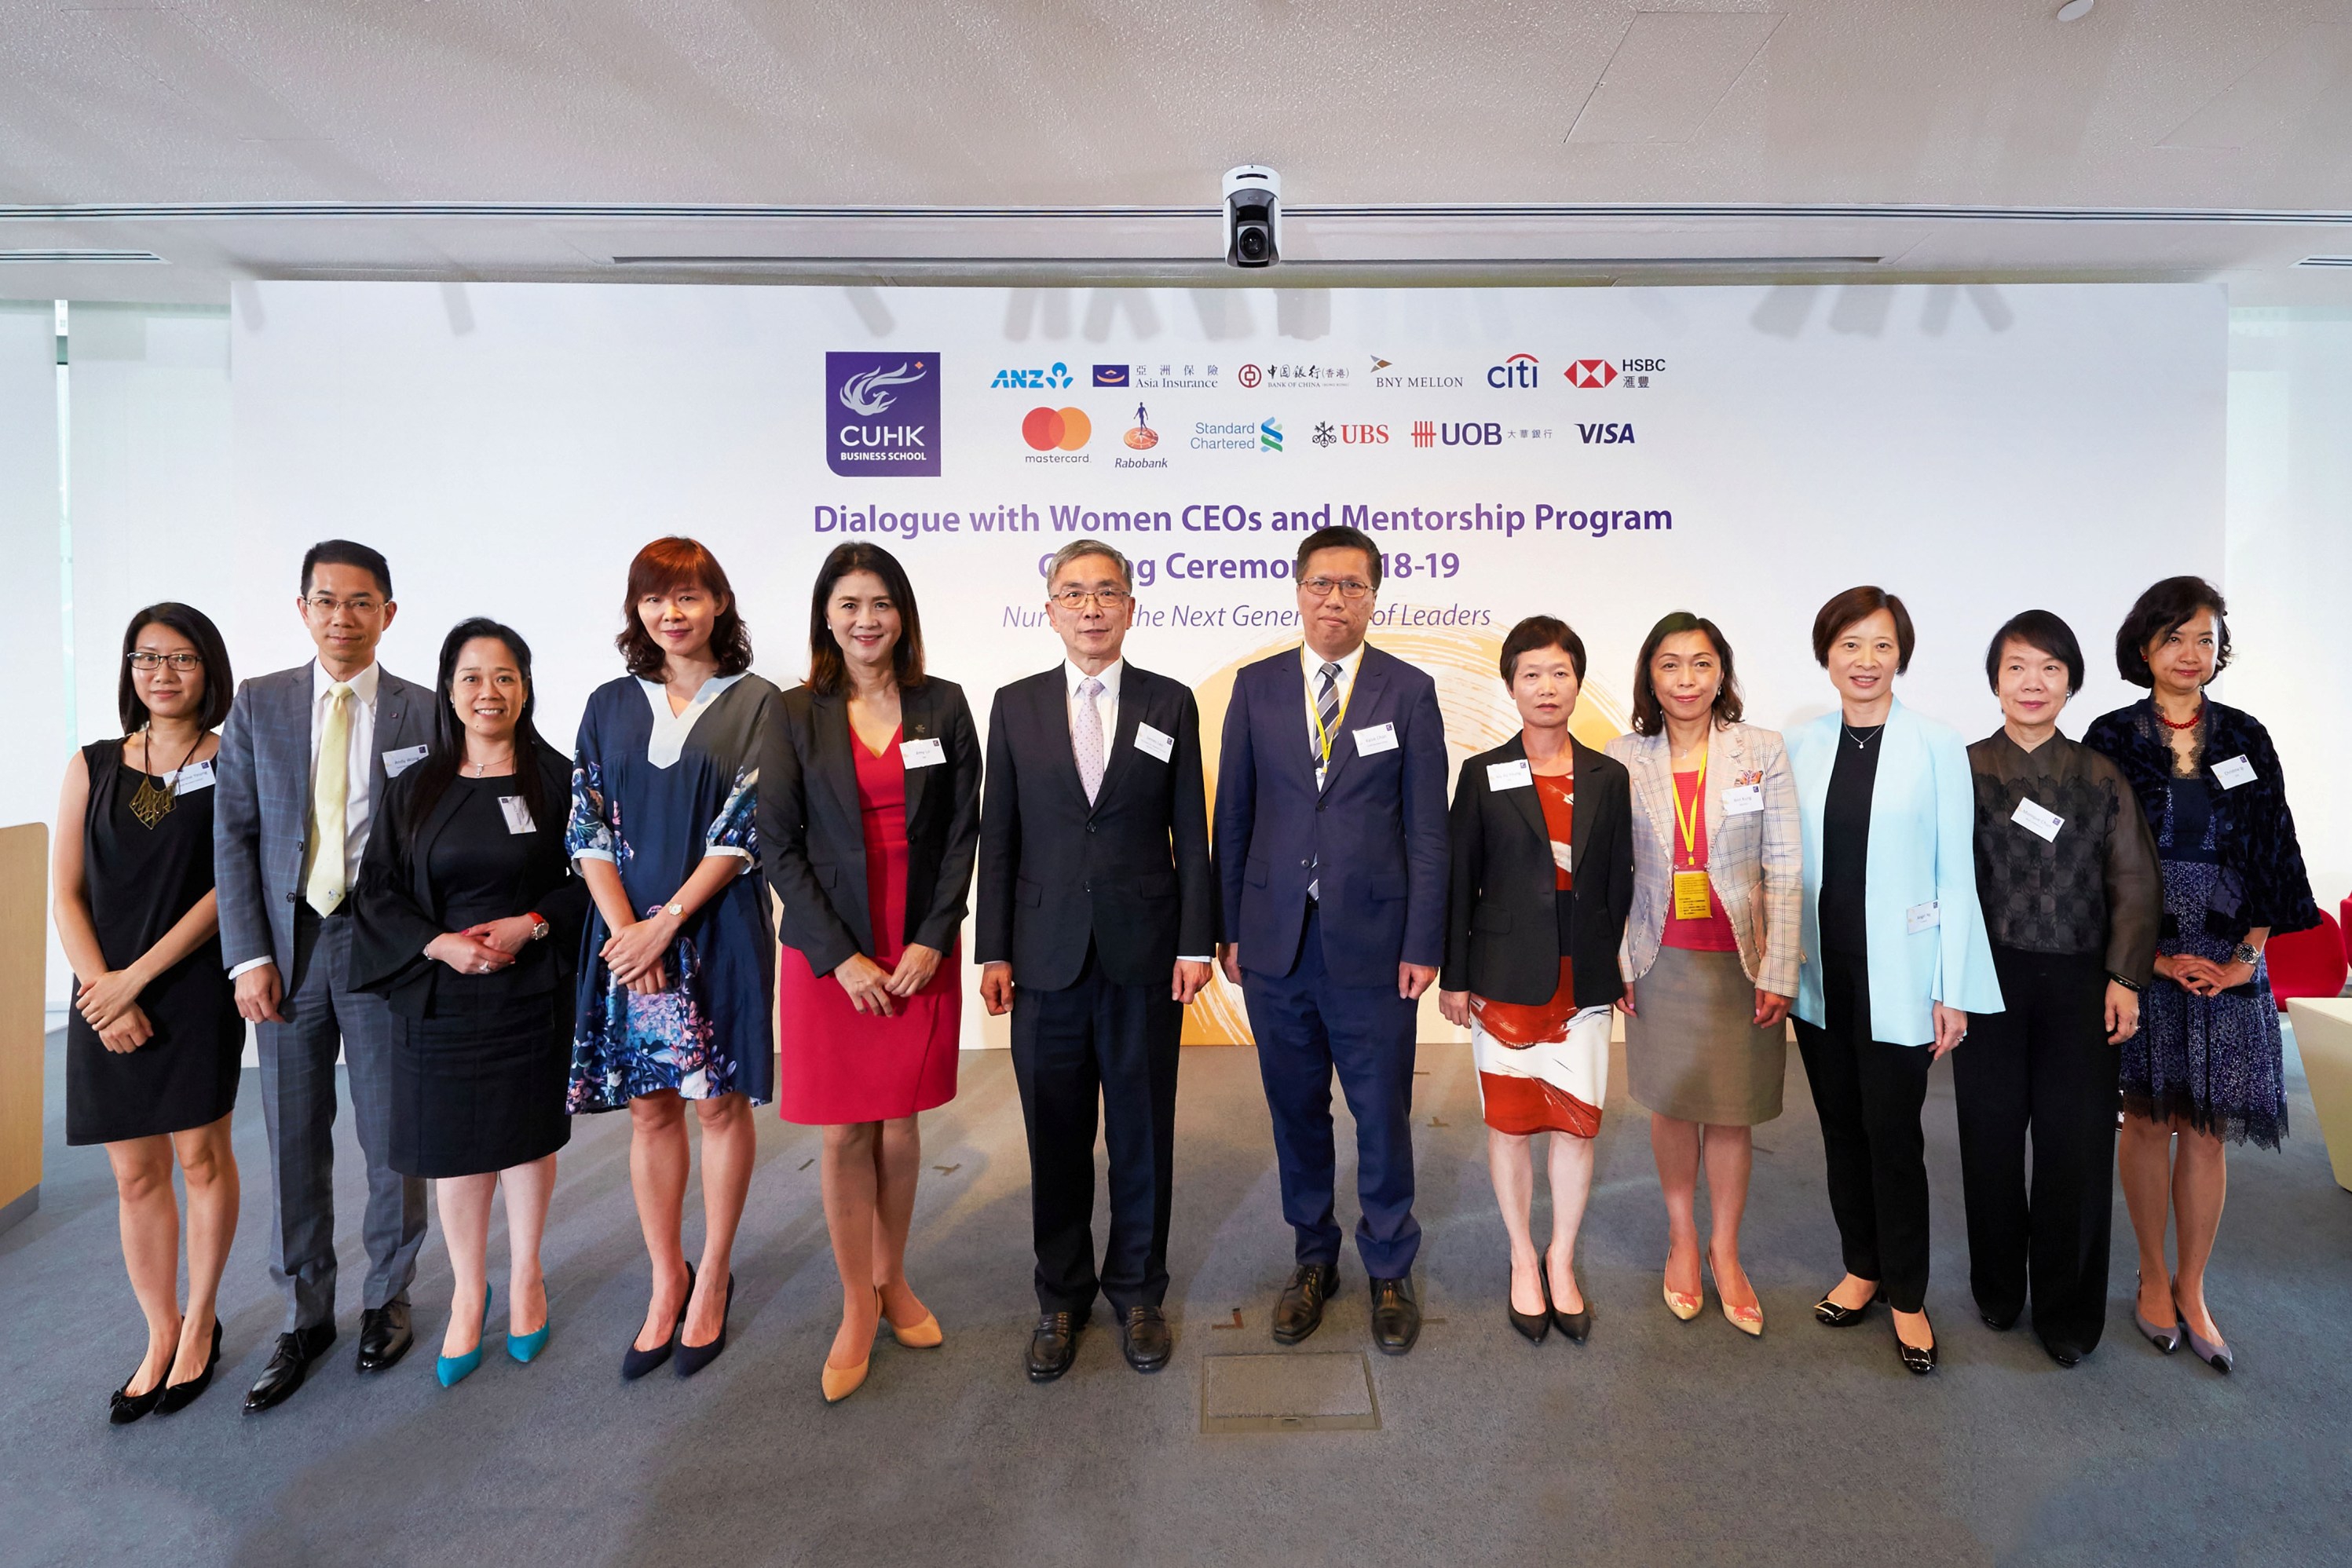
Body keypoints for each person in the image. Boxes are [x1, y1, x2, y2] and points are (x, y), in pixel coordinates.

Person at [977, 539, 1216, 1382]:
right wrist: (994, 948)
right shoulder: (1014, 706)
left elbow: (1191, 829)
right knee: (1055, 1136)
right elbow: (998, 837)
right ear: (1049, 609)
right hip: (1042, 958)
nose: (1090, 607)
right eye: (1072, 593)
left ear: (1130, 607)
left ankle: (1139, 1290)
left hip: (1145, 955)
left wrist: (1195, 940)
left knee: (1143, 1133)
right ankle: (1061, 1296)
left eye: (1106, 592)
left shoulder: (1170, 703)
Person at [1214, 524, 1449, 1356]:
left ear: (1374, 595)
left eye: (1352, 585)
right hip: (1276, 943)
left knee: (1381, 1113)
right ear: (1297, 588)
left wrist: (1425, 938)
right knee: (1295, 1115)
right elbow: (1233, 814)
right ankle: (1313, 1256)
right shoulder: (1258, 688)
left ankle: (1389, 1264)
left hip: (1376, 947)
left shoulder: (1408, 690)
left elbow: (1427, 828)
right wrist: (1228, 928)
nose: (1334, 599)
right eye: (1320, 583)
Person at [216, 540, 437, 1413]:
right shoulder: (259, 703)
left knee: (392, 1134)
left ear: (388, 612)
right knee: (291, 1134)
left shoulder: (425, 711)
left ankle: (387, 1295)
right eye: (325, 601)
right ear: (302, 608)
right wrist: (247, 955)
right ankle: (306, 1312)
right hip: (287, 945)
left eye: (360, 602)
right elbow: (232, 835)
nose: (342, 617)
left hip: (382, 945)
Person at [2084, 576, 2320, 1374]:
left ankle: (2193, 1286)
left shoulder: (2245, 736)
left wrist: (2243, 956)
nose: (2192, 653)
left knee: (2208, 1129)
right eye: (2174, 637)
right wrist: (2148, 956)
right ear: (2144, 647)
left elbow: (2274, 854)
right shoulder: (2111, 737)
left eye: (2205, 639)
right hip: (2144, 960)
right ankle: (2151, 1277)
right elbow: (2094, 860)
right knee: (2148, 1121)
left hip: (2228, 965)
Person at [763, 542, 980, 1403]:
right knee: (846, 1129)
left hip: (919, 944)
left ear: (904, 614)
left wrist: (933, 935)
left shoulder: (945, 705)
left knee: (899, 1124)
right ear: (826, 614)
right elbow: (776, 844)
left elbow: (964, 830)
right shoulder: (791, 712)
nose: (867, 618)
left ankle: (895, 1278)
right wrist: (839, 954)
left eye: (882, 602)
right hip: (832, 952)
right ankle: (857, 1301)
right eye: (849, 603)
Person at [352, 620, 590, 1387]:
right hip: (440, 994)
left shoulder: (558, 777)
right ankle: (465, 1288)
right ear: (449, 688)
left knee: (524, 1139)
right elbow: (379, 890)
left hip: (529, 989)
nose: (489, 692)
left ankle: (525, 1277)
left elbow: (590, 875)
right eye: (471, 677)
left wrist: (533, 921)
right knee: (454, 1151)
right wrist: (437, 943)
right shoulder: (414, 786)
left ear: (525, 685)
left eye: (505, 676)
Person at [569, 538, 781, 1379]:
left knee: (718, 1106)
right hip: (623, 942)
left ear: (719, 603)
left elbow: (746, 825)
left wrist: (667, 926)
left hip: (715, 929)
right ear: (637, 611)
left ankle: (716, 1269)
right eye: (655, 599)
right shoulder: (607, 702)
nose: (672, 613)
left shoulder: (764, 702)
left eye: (689, 596)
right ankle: (667, 1276)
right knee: (651, 1108)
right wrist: (629, 933)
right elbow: (586, 824)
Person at [1785, 586, 2001, 1376]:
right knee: (1840, 1129)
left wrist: (1952, 986)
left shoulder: (1936, 743)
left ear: (1900, 654)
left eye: (1879, 645)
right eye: (1849, 645)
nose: (1864, 661)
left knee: (1894, 1136)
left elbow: (1956, 870)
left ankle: (1906, 1293)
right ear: (1826, 655)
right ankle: (1861, 1265)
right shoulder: (1798, 741)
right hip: (1818, 974)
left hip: (1902, 979)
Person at [53, 604, 242, 1422]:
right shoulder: (91, 764)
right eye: (147, 657)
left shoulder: (232, 761)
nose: (163, 673)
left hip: (189, 986)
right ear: (129, 669)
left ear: (210, 670)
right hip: (103, 995)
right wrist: (103, 991)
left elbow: (225, 888)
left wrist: (138, 979)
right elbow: (64, 890)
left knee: (200, 1158)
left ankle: (202, 1319)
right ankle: (159, 1330)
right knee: (134, 1175)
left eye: (182, 658)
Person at [1962, 611, 2160, 1368]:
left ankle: (2068, 1315)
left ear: (2070, 680)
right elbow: (1944, 880)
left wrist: (2124, 977)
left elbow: (2134, 882)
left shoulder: (2100, 774)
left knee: (2074, 1149)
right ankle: (1996, 1291)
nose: (2032, 682)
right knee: (1986, 1137)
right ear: (1995, 680)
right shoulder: (1967, 767)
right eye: (2016, 667)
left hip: (2082, 985)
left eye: (2049, 668)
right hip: (1988, 981)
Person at [1604, 612, 1799, 1338]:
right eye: (1669, 665)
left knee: (1732, 1109)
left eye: (1701, 663)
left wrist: (1779, 965)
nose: (1686, 680)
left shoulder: (1761, 751)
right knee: (1671, 1103)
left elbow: (1783, 862)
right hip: (1658, 955)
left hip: (1739, 960)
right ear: (1648, 677)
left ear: (1722, 672)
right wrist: (1614, 960)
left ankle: (1726, 1249)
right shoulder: (1621, 756)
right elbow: (1610, 873)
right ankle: (1683, 1238)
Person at [1438, 617, 1633, 1346]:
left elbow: (1619, 882)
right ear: (1510, 684)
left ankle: (1562, 1259)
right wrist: (1454, 977)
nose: (1546, 688)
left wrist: (1621, 972)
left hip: (1580, 981)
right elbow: (1461, 881)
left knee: (1576, 1123)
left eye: (1559, 673)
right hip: (1504, 980)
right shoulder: (1483, 773)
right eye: (1531, 674)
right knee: (1511, 1125)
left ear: (1577, 682)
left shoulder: (1607, 776)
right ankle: (1522, 1254)